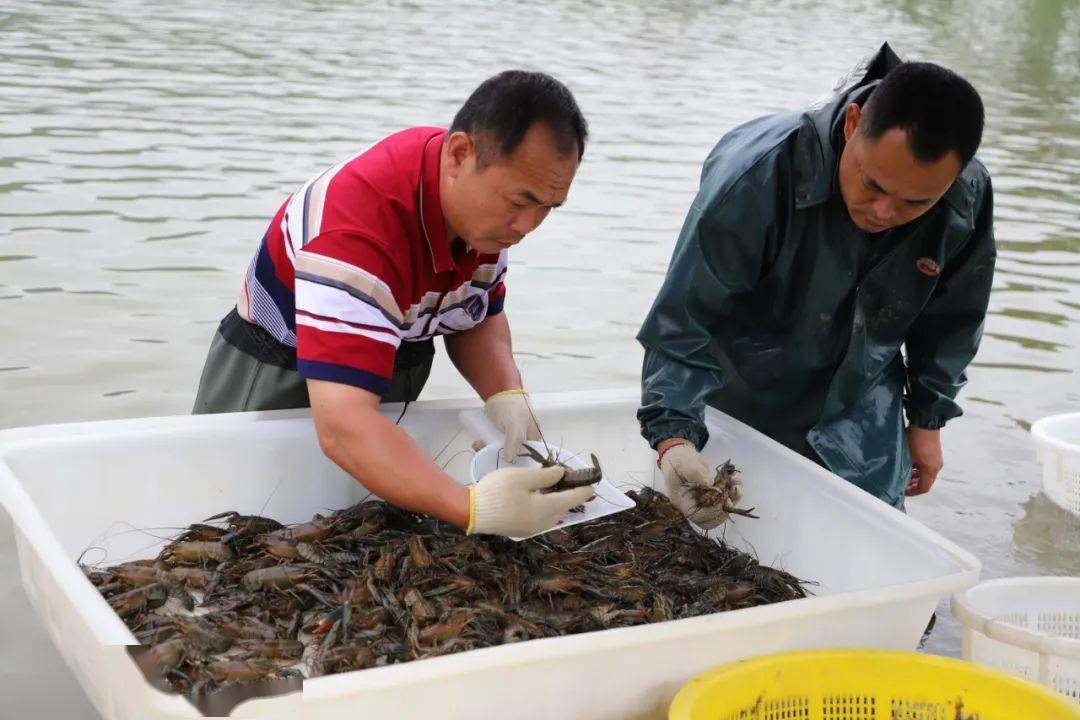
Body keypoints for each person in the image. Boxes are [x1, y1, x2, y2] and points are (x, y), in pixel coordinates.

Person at [193, 70, 594, 538]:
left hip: (392, 351)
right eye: (521, 202)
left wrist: (505, 392)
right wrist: (472, 509)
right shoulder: (357, 232)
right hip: (278, 364)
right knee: (237, 522)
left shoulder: (483, 211)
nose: (528, 225)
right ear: (460, 154)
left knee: (355, 524)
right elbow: (344, 427)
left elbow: (474, 315)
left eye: (548, 207)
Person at [638, 43, 995, 528]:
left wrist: (927, 421)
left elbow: (954, 317)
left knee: (874, 556)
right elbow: (685, 320)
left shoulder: (966, 195)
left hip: (864, 409)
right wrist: (674, 438)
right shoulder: (755, 176)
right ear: (852, 126)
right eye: (873, 185)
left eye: (915, 203)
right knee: (729, 537)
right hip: (746, 392)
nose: (885, 213)